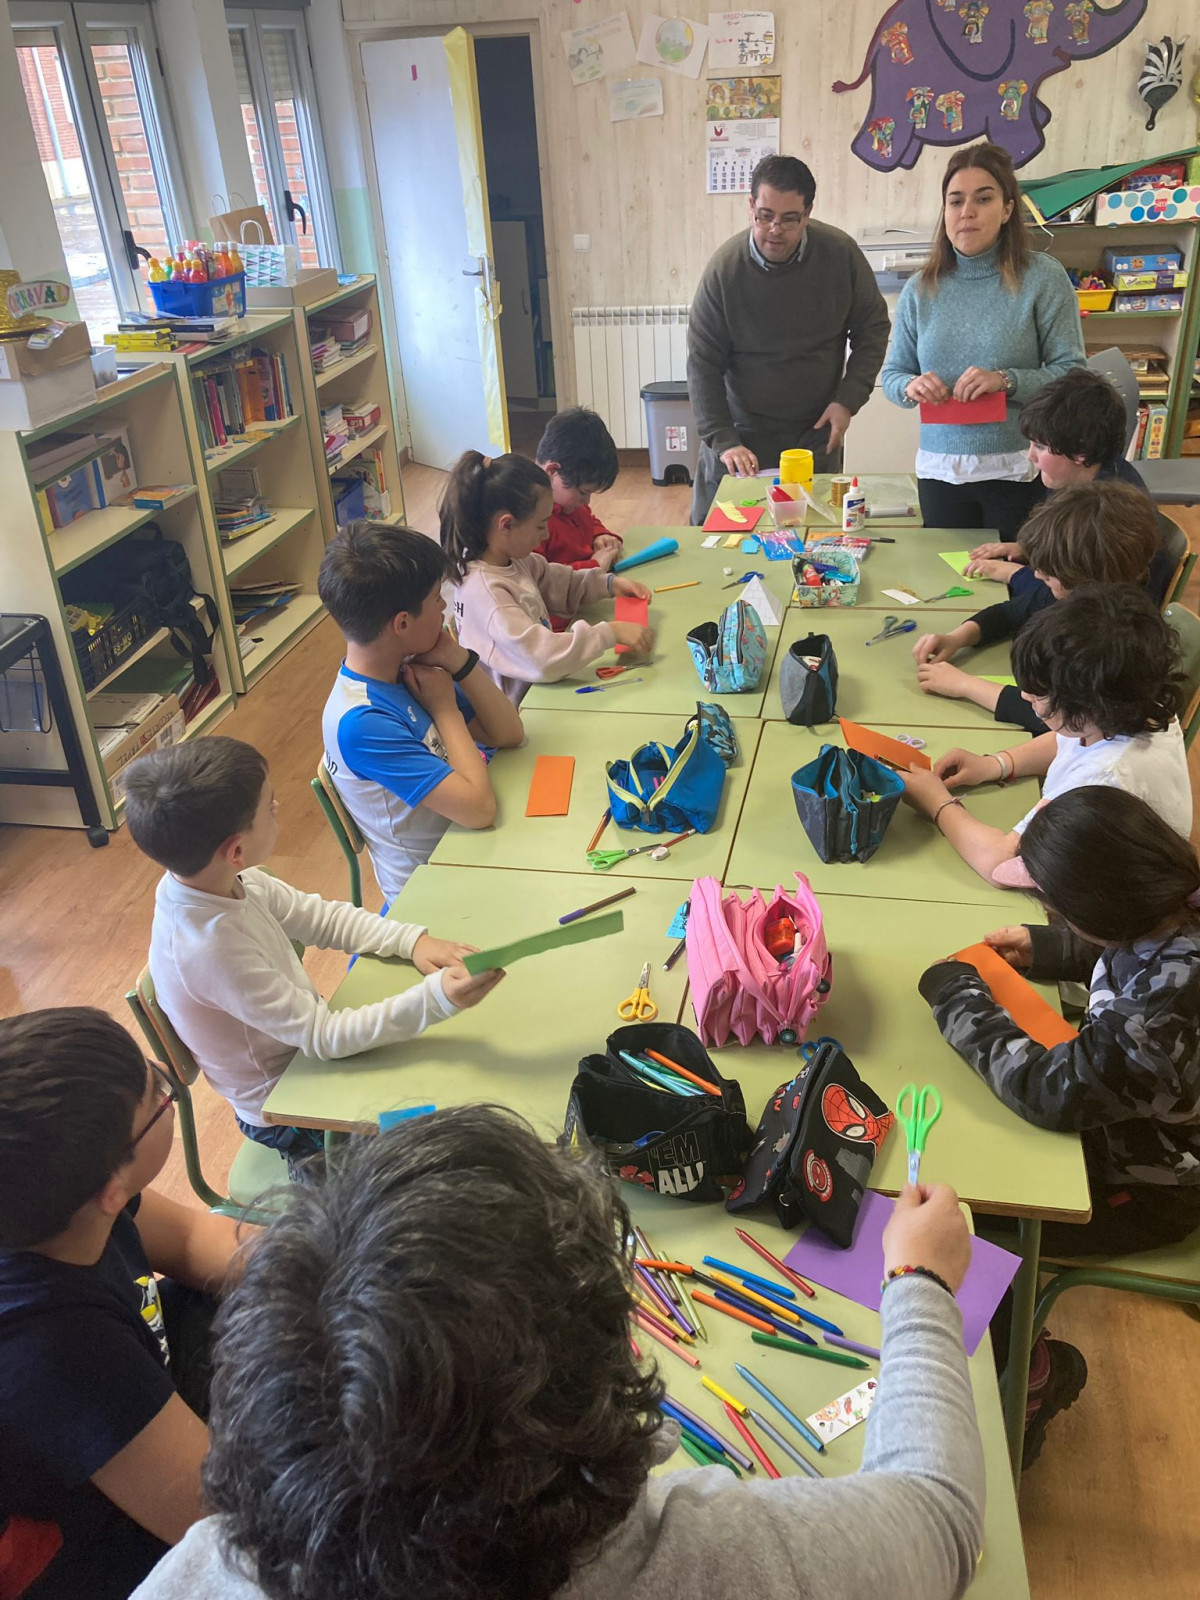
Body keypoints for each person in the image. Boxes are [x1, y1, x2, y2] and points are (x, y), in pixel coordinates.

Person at [130, 1105, 984, 1600]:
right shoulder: (723, 1562)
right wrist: (917, 1281)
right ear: (620, 1342)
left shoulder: (203, 1576)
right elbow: (940, 1515)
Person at [918, 786, 1200, 1458]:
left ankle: (1034, 1383)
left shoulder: (1156, 1018)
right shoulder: (1177, 901)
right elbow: (1134, 952)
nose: (1050, 911)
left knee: (977, 1219)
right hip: (1151, 1133)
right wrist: (1048, 948)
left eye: (1056, 906)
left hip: (1159, 1191)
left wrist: (957, 995)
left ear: (1099, 907)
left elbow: (1050, 1092)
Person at [124, 738, 504, 1179]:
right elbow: (325, 1037)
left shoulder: (224, 879)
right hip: (291, 1110)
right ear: (236, 850)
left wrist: (412, 942)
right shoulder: (208, 948)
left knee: (456, 1102)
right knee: (445, 1162)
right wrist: (436, 999)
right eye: (269, 807)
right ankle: (320, 1185)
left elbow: (322, 919)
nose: (279, 806)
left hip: (311, 1058)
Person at [0, 1007, 253, 1599]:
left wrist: (330, 1263)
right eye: (159, 1094)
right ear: (110, 1188)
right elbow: (226, 1517)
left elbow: (198, 1240)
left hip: (143, 1371)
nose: (167, 1077)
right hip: (116, 1538)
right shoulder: (54, 1351)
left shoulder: (63, 1205)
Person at [899, 584, 1191, 883]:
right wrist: (997, 764)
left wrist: (936, 802)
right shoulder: (1137, 705)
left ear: (1088, 708)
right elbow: (1065, 741)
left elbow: (1000, 862)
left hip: (1107, 897)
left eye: (1039, 696)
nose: (1025, 697)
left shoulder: (1100, 782)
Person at [881, 142, 1084, 539]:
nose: (966, 212)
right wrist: (911, 385)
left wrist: (1006, 381)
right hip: (940, 473)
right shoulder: (922, 289)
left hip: (1018, 470)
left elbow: (1073, 374)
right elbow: (893, 375)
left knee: (1017, 586)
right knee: (950, 583)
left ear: (1008, 209)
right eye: (955, 201)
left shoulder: (1042, 278)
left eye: (983, 198)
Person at [318, 520, 525, 901]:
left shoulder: (408, 668)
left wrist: (457, 658)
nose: (444, 606)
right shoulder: (362, 723)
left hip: (472, 852)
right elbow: (479, 810)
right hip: (434, 892)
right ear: (402, 623)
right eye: (435, 600)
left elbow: (508, 732)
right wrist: (445, 710)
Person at [686, 153, 890, 525]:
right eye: (765, 215)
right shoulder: (724, 271)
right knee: (719, 538)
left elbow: (873, 328)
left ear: (808, 213)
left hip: (814, 432)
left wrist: (847, 401)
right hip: (741, 435)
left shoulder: (840, 255)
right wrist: (722, 438)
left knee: (814, 537)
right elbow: (703, 362)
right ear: (751, 207)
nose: (775, 229)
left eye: (789, 219)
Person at [912, 481, 1161, 733]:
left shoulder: (1108, 640)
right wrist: (958, 637)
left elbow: (1057, 719)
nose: (1038, 575)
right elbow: (1010, 613)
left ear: (1083, 576)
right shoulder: (1072, 595)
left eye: (1048, 571)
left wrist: (966, 685)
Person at [441, 451, 653, 705]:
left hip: (539, 695)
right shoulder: (488, 594)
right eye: (541, 526)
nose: (545, 536)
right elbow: (541, 659)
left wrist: (608, 584)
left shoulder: (511, 558)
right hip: (518, 714)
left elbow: (555, 579)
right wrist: (609, 633)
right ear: (506, 525)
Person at [965, 367, 1176, 606]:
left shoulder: (1102, 516)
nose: (1030, 456)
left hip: (1108, 624)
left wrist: (1008, 572)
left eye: (1040, 447)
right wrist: (1027, 549)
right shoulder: (1081, 476)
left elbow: (1068, 596)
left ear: (1080, 452)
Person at [534, 406, 624, 574]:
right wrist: (593, 566)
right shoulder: (528, 521)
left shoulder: (568, 504)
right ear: (553, 472)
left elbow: (588, 521)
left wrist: (600, 535)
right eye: (583, 492)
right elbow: (539, 580)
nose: (587, 501)